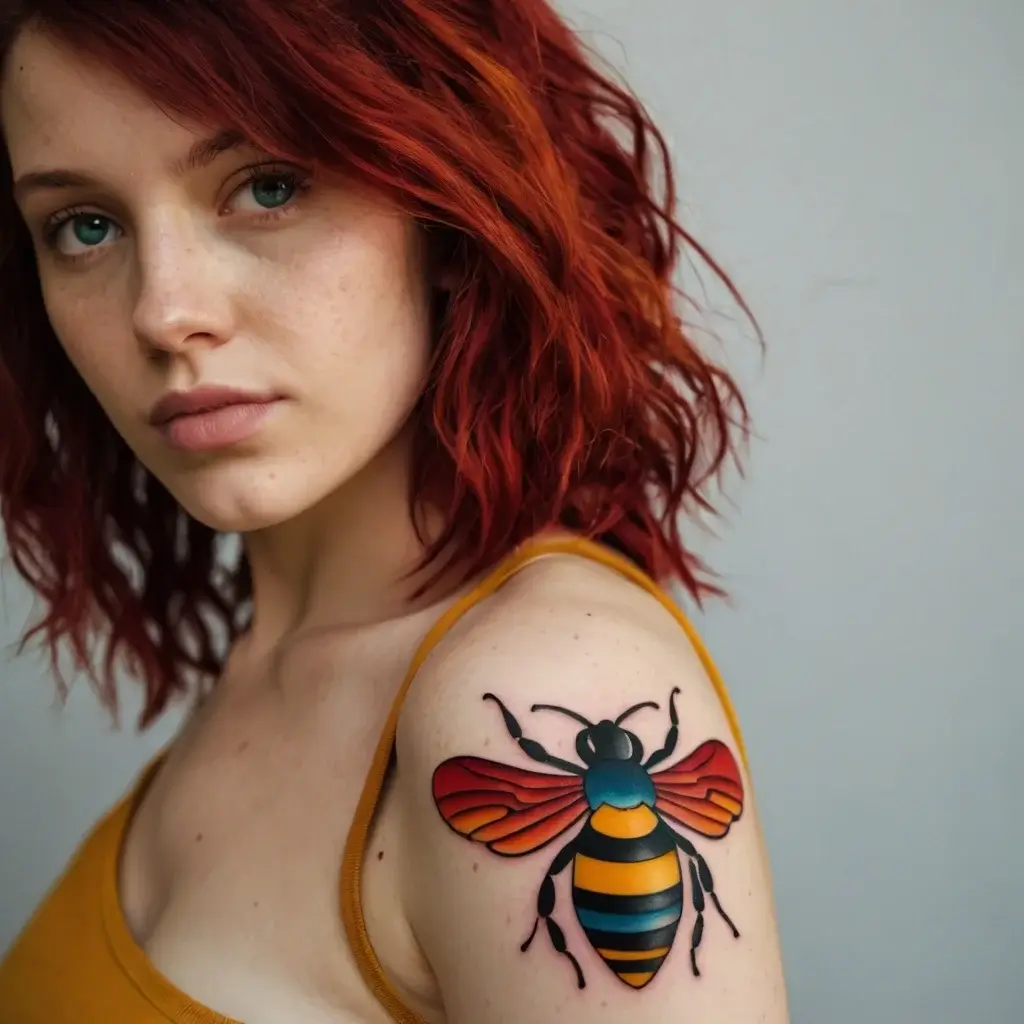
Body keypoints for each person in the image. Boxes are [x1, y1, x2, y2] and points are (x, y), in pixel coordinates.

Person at [0, 1, 788, 1021]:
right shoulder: (274, 659)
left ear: (457, 218)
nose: (163, 310)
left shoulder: (539, 681)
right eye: (85, 225)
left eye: (267, 187)